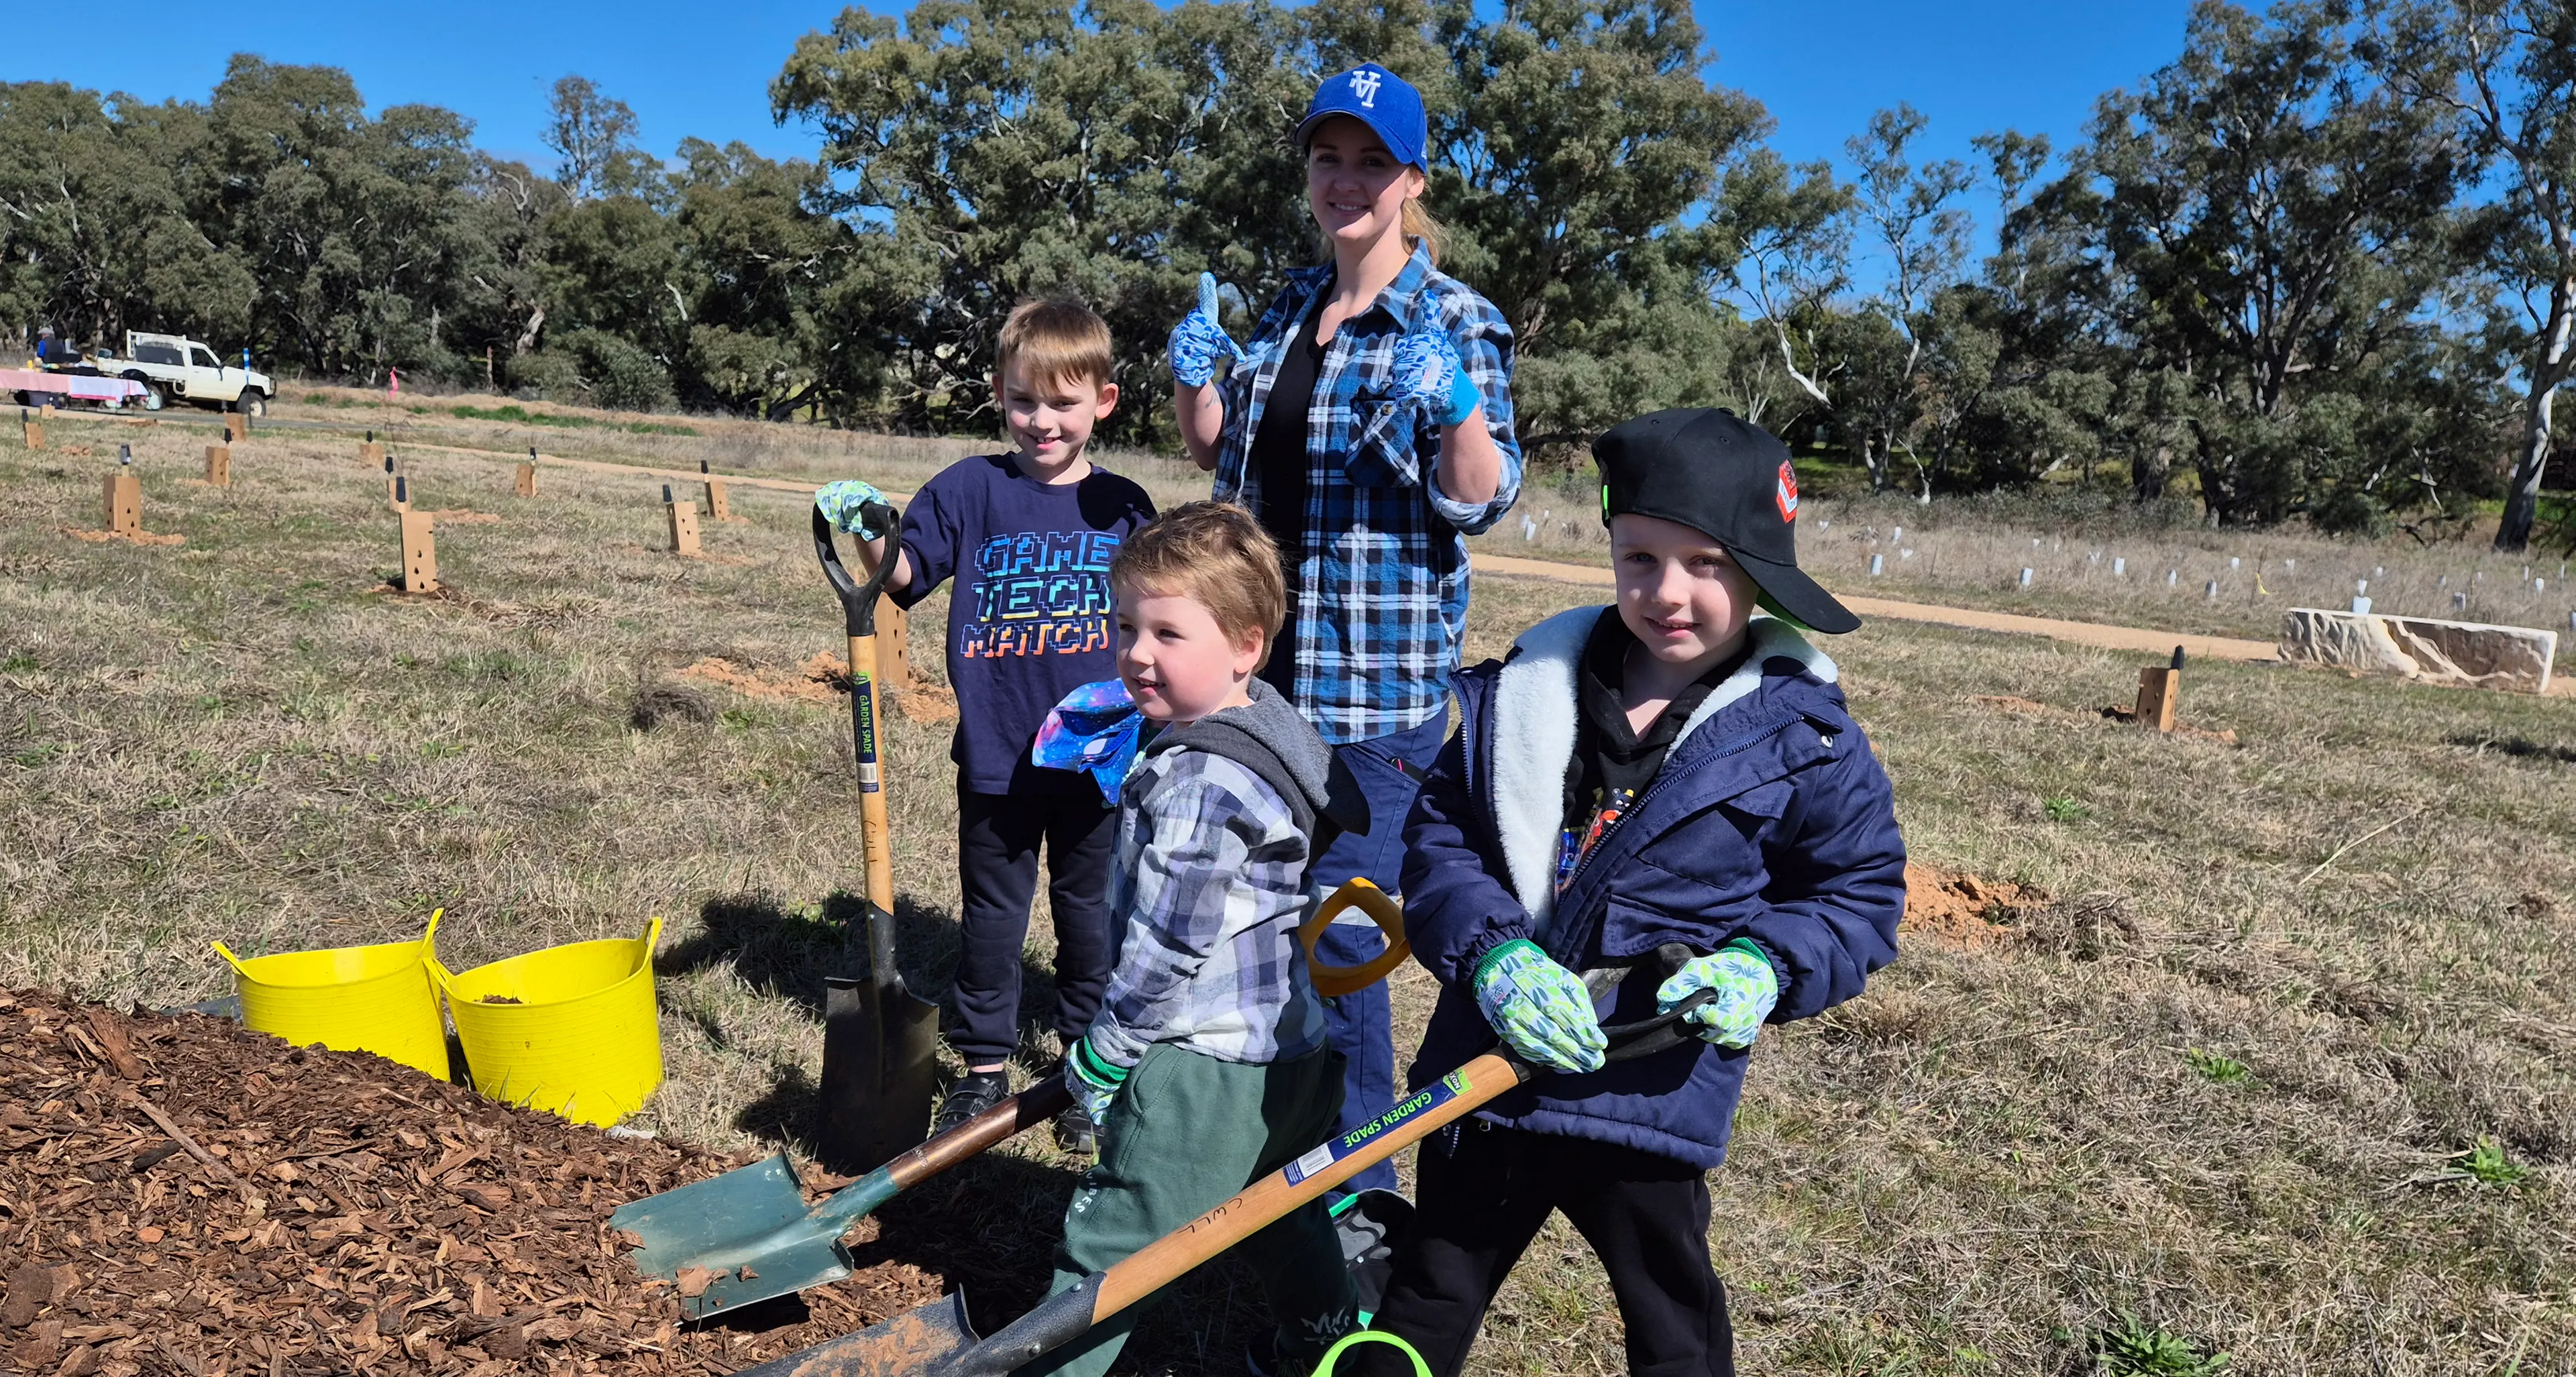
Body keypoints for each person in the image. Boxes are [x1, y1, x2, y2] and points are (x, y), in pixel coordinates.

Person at [1349, 408, 1909, 1377]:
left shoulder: (1804, 736)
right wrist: (1494, 959)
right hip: (1489, 1075)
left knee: (1672, 1314)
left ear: (1760, 574)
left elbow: (1857, 892)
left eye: (1707, 565)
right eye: (1641, 558)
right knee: (1428, 1289)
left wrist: (1766, 966)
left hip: (1647, 1094)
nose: (1669, 592)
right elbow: (1441, 840)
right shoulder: (1525, 692)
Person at [1166, 61, 1521, 1199]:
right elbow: (1224, 459)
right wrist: (1193, 384)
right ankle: (1275, 1129)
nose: (1347, 181)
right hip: (1265, 683)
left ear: (1412, 180)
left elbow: (1485, 495)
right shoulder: (1282, 307)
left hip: (1378, 703)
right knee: (1262, 912)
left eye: (1374, 162)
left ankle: (1361, 1198)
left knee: (1343, 942)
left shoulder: (1459, 318)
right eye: (1330, 158)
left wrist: (1457, 405)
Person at [1026, 501, 1362, 1377]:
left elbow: (1167, 946)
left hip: (1201, 1067)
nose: (1138, 652)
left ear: (1245, 645)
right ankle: (1329, 1346)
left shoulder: (1199, 781)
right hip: (1294, 1052)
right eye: (1127, 625)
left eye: (1168, 632)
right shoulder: (1270, 724)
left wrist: (1103, 1054)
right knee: (1281, 1206)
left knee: (1118, 1244)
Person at [815, 297, 1155, 1156]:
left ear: (1103, 403)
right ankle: (983, 1066)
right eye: (1023, 401)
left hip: (1095, 761)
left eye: (1063, 402)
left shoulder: (1124, 506)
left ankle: (1090, 1069)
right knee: (994, 921)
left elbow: (1163, 612)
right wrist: (868, 530)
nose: (1042, 420)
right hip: (999, 756)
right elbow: (898, 580)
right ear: (999, 396)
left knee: (1090, 923)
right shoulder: (972, 489)